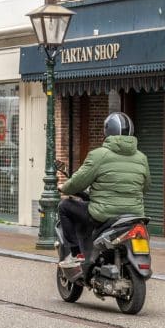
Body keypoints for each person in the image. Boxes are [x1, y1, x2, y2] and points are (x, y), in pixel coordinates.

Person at [57, 112, 151, 268]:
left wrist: (64, 187)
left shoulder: (98, 155)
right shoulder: (142, 158)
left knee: (65, 206)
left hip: (103, 214)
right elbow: (146, 187)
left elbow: (78, 182)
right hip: (133, 214)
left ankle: (76, 254)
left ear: (108, 131)